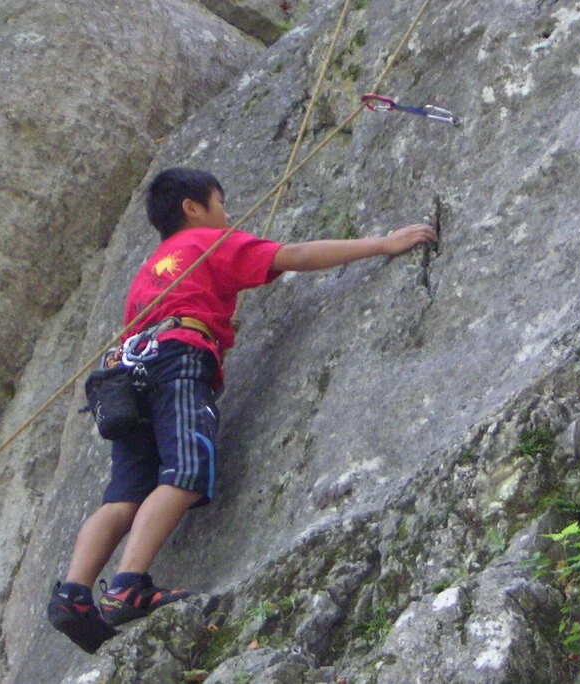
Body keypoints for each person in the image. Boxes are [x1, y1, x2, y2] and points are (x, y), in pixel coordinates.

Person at [47, 167, 436, 653]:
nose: (228, 215)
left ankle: (73, 595)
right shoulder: (206, 243)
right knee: (185, 472)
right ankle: (128, 586)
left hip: (128, 373)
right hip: (176, 358)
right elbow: (293, 256)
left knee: (124, 496)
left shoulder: (149, 271)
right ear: (192, 208)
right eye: (220, 202)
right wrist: (382, 244)